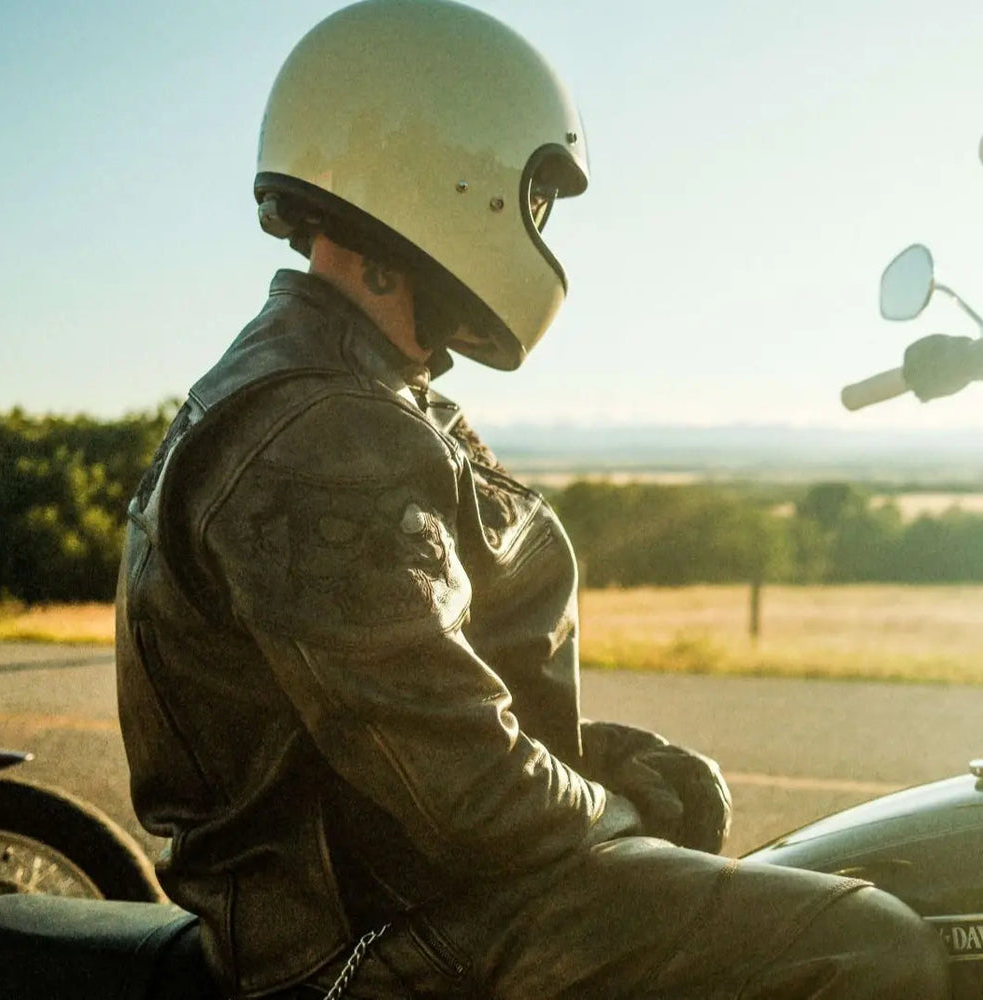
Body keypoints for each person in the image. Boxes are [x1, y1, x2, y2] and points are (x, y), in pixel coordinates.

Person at [115, 1, 952, 997]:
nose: (537, 230)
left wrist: (615, 768)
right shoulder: (322, 434)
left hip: (393, 901)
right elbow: (459, 789)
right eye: (533, 200)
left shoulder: (345, 395)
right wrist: (622, 809)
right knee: (869, 942)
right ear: (445, 173)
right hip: (366, 948)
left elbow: (405, 724)